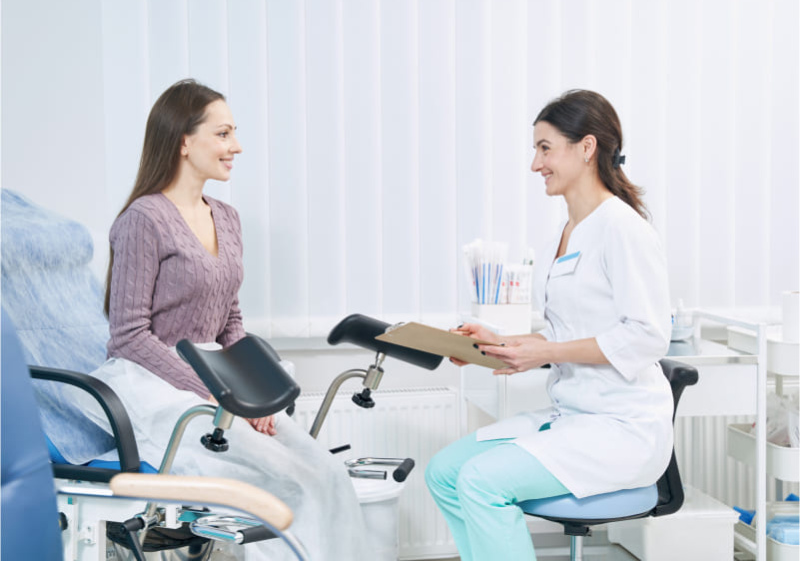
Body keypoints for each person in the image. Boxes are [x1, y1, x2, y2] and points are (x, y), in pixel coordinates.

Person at [88, 78, 368, 560]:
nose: (236, 146)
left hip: (221, 381)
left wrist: (253, 392)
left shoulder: (227, 218)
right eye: (223, 134)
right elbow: (129, 335)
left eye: (233, 133)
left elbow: (230, 321)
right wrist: (220, 392)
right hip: (158, 384)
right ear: (183, 141)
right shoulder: (143, 220)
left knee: (324, 474)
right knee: (276, 486)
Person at [425, 89, 673, 561]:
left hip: (622, 427)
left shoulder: (623, 229)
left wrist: (546, 352)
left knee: (481, 481)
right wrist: (499, 344)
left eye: (545, 148)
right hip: (572, 415)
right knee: (444, 473)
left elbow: (647, 336)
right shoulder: (565, 233)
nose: (535, 164)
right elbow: (563, 333)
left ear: (586, 148)